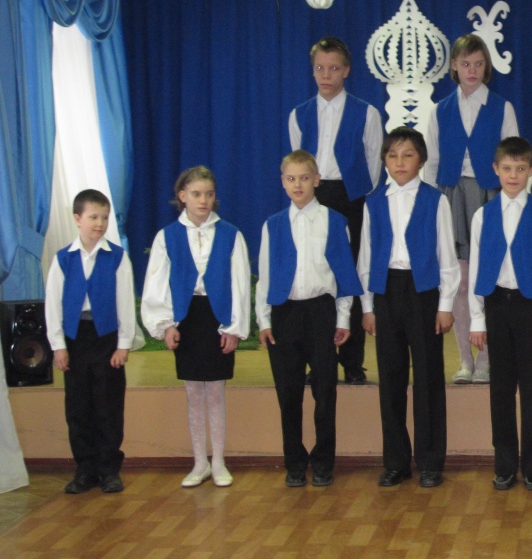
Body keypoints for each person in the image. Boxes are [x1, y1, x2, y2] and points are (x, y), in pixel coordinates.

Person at [356, 127, 458, 488]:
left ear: (422, 160)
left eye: (408, 155)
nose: (400, 162)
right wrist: (367, 306)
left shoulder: (435, 200)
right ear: (384, 160)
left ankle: (430, 461)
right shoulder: (373, 201)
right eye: (393, 155)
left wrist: (445, 304)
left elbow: (447, 256)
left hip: (423, 291)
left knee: (428, 377)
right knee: (391, 378)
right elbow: (366, 257)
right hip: (386, 292)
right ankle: (396, 461)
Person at [255, 150, 364, 488]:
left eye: (304, 178)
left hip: (321, 313)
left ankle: (323, 462)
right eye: (291, 178)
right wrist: (264, 320)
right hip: (284, 314)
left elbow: (344, 273)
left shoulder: (334, 221)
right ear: (282, 182)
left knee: (325, 392)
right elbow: (265, 276)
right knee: (288, 394)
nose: (298, 184)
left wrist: (343, 319)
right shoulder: (273, 225)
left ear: (316, 180)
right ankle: (294, 463)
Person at [141, 166, 251, 489]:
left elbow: (240, 284)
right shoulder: (167, 237)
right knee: (193, 393)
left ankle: (218, 461)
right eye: (196, 194)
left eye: (209, 194)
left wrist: (233, 327)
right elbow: (156, 283)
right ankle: (199, 462)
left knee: (215, 391)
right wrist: (165, 325)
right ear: (182, 196)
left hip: (217, 319)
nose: (203, 200)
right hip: (186, 319)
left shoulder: (231, 234)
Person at [467, 137, 532, 491]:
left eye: (520, 169)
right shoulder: (483, 215)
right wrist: (477, 319)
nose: (513, 175)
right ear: (495, 170)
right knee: (501, 390)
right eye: (507, 168)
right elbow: (476, 270)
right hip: (496, 305)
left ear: (531, 171)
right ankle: (505, 464)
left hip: (530, 307)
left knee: (531, 389)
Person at [423, 34, 518, 386]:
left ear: (486, 66)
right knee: (460, 281)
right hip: (451, 196)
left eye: (478, 64)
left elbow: (513, 157)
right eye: (465, 64)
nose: (472, 70)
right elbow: (431, 163)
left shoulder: (502, 107)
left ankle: (486, 359)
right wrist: (431, 206)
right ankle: (465, 359)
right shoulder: (440, 110)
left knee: (488, 279)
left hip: (490, 195)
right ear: (454, 66)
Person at [288, 35, 383, 384]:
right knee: (318, 277)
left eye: (333, 68)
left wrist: (357, 195)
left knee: (350, 275)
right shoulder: (299, 115)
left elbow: (374, 162)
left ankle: (352, 362)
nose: (326, 75)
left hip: (351, 197)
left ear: (346, 70)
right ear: (313, 71)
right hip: (314, 197)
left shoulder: (367, 112)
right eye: (320, 68)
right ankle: (319, 362)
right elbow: (298, 162)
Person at [44, 189, 136, 495]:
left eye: (105, 217)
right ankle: (85, 470)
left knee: (108, 405)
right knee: (78, 407)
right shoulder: (63, 259)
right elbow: (53, 305)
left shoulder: (117, 258)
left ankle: (109, 470)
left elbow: (125, 301)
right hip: (75, 339)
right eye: (93, 217)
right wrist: (58, 345)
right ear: (77, 219)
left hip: (106, 338)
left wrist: (123, 344)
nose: (100, 223)